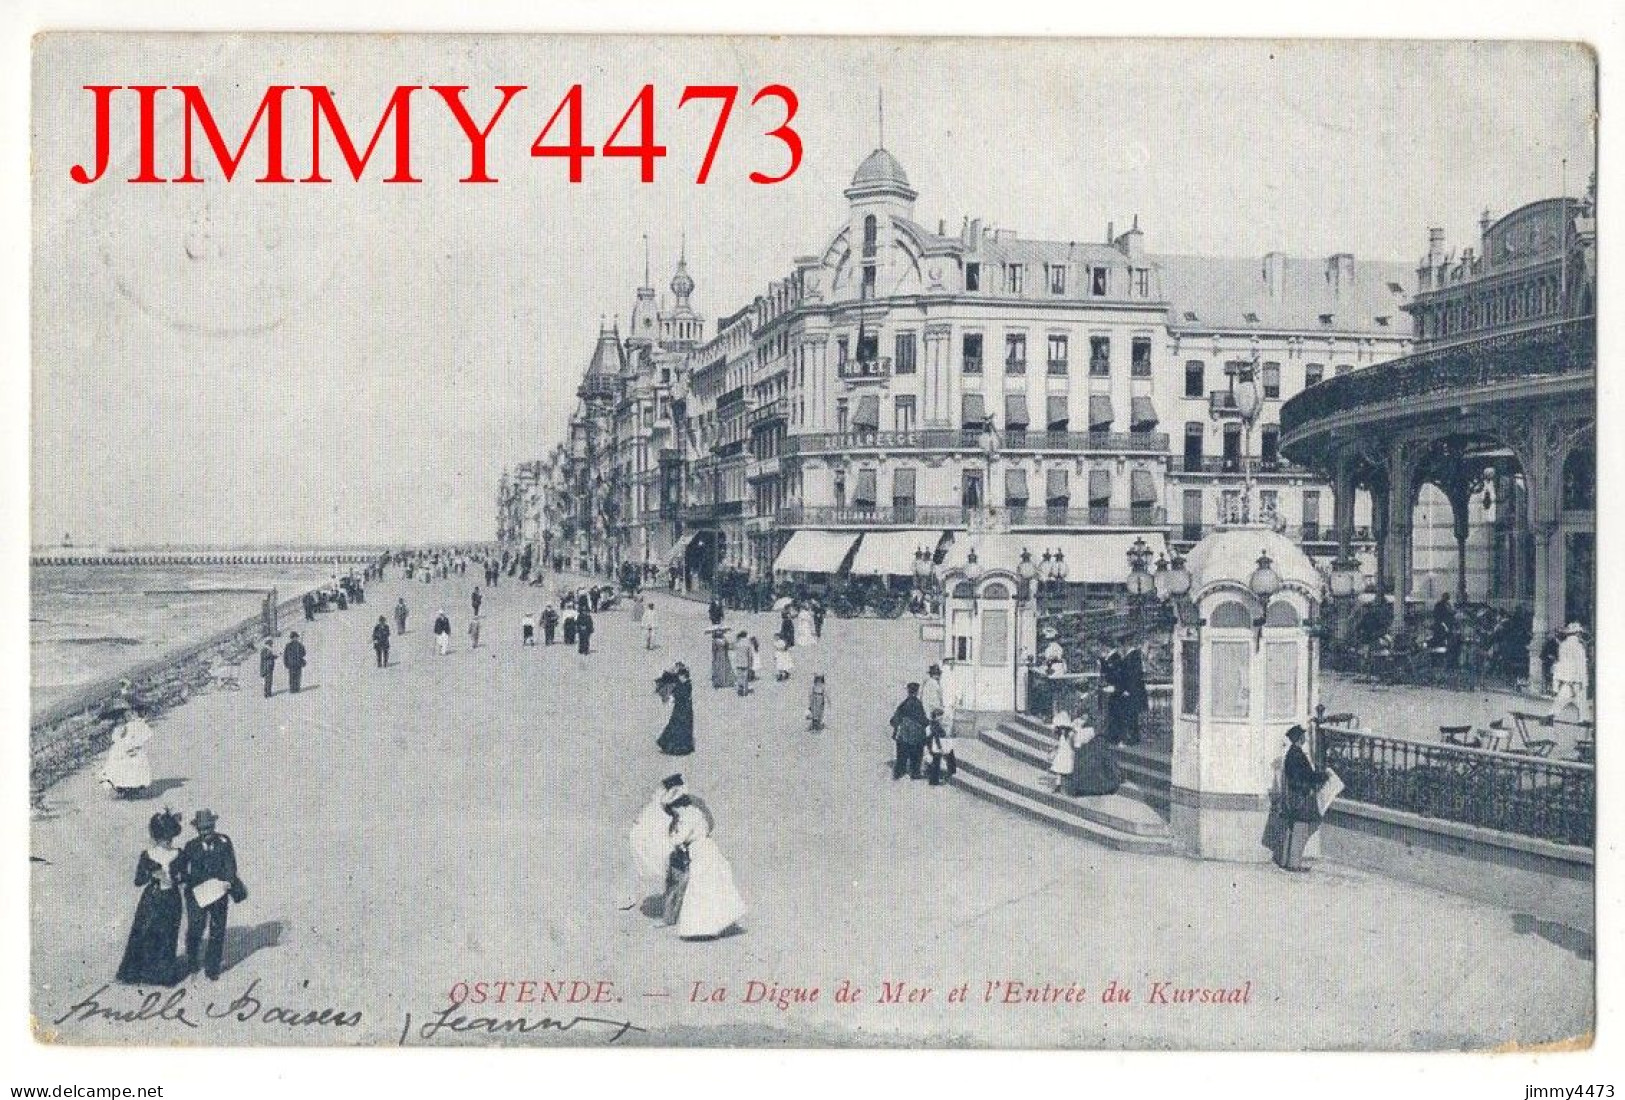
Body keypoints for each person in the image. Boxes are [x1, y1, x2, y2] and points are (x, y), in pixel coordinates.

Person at [115, 809, 187, 986]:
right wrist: (152, 875)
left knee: (168, 935)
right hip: (152, 899)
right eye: (163, 838)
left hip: (171, 898)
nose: (166, 842)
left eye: (168, 838)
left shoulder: (179, 854)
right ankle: (138, 972)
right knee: (144, 933)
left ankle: (163, 975)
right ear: (157, 837)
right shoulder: (147, 855)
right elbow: (138, 881)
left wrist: (174, 878)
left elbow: (185, 876)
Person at [665, 789, 745, 939]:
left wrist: (672, 837)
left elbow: (678, 839)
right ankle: (717, 922)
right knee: (714, 884)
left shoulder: (686, 818)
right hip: (710, 848)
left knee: (699, 887)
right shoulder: (697, 813)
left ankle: (701, 927)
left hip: (699, 852)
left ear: (677, 805)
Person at [179, 809, 247, 980]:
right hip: (197, 895)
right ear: (197, 830)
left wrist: (227, 882)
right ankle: (192, 959)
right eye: (202, 829)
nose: (206, 832)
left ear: (214, 826)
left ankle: (212, 967)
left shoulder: (224, 842)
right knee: (196, 927)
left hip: (219, 893)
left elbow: (231, 865)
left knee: (217, 929)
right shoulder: (191, 846)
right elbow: (183, 869)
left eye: (209, 828)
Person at [1277, 725, 1328, 873]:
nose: (1305, 738)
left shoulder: (1291, 754)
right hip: (1300, 796)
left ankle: (1287, 861)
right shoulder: (1298, 755)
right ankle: (1294, 864)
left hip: (1294, 796)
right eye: (1303, 736)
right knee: (1301, 828)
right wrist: (1323, 777)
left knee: (1293, 828)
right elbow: (1306, 776)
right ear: (1300, 739)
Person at [99, 697, 154, 797]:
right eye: (127, 715)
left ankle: (134, 787)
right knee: (118, 767)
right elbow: (115, 739)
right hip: (120, 751)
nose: (129, 716)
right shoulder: (121, 728)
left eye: (132, 714)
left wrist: (135, 744)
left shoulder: (136, 725)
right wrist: (120, 734)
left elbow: (146, 735)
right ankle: (120, 786)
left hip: (133, 750)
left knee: (134, 767)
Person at [1065, 700, 1122, 797]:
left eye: (1085, 714)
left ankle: (1100, 786)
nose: (1084, 716)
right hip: (1090, 745)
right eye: (1082, 714)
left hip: (1097, 744)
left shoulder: (1096, 724)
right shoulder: (1085, 724)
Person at [889, 682, 929, 780]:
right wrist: (928, 722)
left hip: (903, 737)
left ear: (908, 691)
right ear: (917, 692)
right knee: (916, 755)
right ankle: (915, 773)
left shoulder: (904, 703)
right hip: (915, 737)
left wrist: (898, 728)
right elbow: (923, 720)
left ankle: (898, 773)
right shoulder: (918, 704)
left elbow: (893, 720)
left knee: (901, 756)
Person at [656, 664, 695, 756]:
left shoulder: (687, 685)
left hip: (684, 710)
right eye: (680, 676)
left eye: (681, 676)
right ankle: (671, 746)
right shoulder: (682, 683)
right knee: (675, 726)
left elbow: (681, 696)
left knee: (680, 728)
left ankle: (679, 748)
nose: (680, 678)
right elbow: (667, 678)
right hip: (680, 709)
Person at [1553, 622, 1589, 720]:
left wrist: (1557, 681)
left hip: (1566, 677)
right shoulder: (1579, 646)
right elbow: (1581, 665)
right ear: (1577, 633)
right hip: (1577, 678)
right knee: (1581, 699)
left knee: (1562, 697)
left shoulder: (1563, 645)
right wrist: (1584, 681)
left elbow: (1561, 662)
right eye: (1580, 633)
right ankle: (1583, 718)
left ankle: (1552, 714)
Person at [1045, 710, 1077, 790]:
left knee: (1066, 770)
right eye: (1061, 728)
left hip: (1068, 753)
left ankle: (1067, 786)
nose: (1062, 730)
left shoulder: (1070, 735)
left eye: (1064, 728)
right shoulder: (1061, 736)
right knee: (1059, 770)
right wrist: (1054, 749)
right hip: (1062, 753)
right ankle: (1058, 785)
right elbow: (1059, 744)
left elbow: (1072, 745)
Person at [925, 708, 956, 786]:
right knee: (937, 762)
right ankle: (935, 781)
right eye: (941, 716)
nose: (942, 718)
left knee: (937, 762)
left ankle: (934, 780)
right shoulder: (935, 725)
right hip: (936, 746)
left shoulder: (932, 723)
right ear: (937, 716)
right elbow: (936, 737)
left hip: (933, 745)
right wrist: (940, 748)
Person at [732, 631, 753, 696]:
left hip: (738, 661)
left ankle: (740, 688)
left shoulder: (737, 643)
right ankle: (745, 690)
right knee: (745, 677)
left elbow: (732, 647)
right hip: (745, 661)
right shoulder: (748, 643)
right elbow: (750, 654)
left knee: (739, 676)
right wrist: (751, 662)